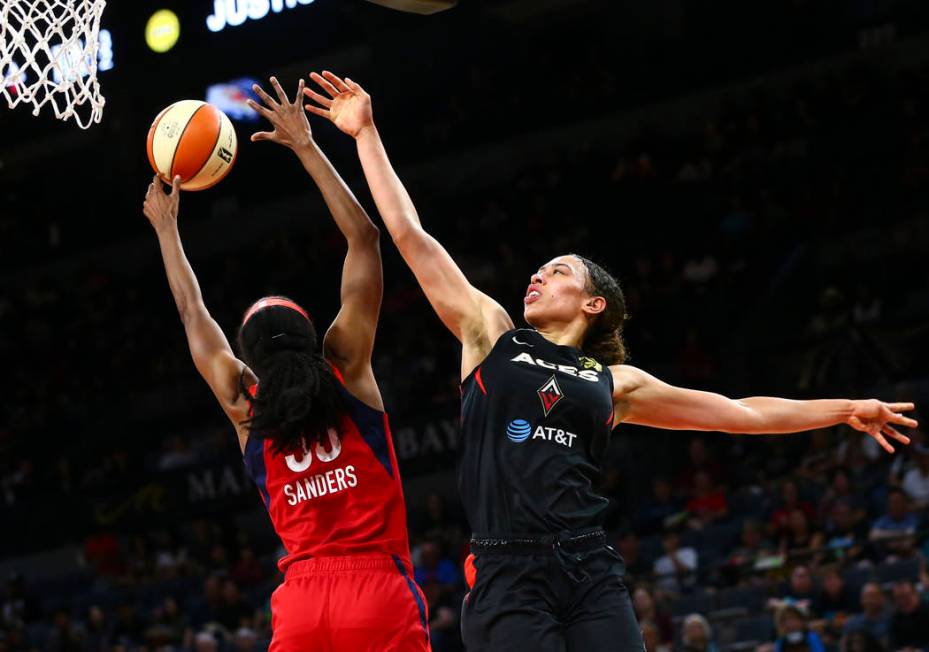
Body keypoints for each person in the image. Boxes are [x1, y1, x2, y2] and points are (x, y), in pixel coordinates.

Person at [303, 70, 918, 652]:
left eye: (558, 270)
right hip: (505, 570)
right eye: (539, 269)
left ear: (594, 303)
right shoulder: (491, 333)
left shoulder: (614, 382)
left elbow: (741, 414)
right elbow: (410, 236)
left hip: (588, 568)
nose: (538, 275)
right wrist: (366, 134)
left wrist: (845, 409)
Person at [143, 76, 430, 651]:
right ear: (313, 338)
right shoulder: (345, 368)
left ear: (248, 360)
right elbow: (365, 240)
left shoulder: (244, 404)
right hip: (375, 589)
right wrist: (306, 144)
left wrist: (167, 232)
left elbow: (192, 314)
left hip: (300, 605)